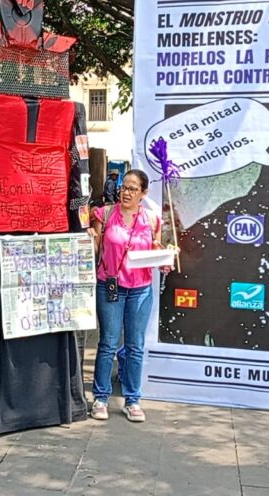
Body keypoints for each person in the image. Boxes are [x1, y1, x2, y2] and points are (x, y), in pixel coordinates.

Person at [88, 169, 166, 424]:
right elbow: (96, 249)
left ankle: (132, 400)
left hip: (140, 289)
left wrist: (163, 257)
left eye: (133, 188)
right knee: (108, 343)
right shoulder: (104, 214)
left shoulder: (152, 220)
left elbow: (155, 251)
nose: (126, 192)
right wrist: (90, 238)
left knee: (135, 346)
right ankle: (100, 397)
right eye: (124, 187)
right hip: (110, 285)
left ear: (143, 193)